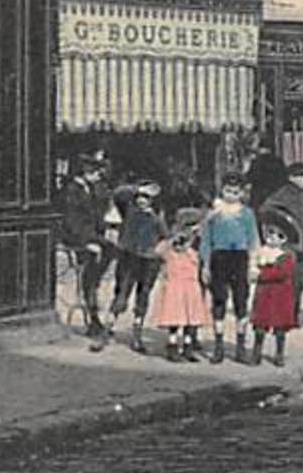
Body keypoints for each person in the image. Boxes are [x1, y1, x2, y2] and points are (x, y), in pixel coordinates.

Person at [199, 173, 259, 364]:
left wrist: (252, 265)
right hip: (219, 258)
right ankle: (219, 347)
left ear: (241, 193)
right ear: (222, 190)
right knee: (219, 301)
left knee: (241, 301)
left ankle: (240, 347)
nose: (231, 195)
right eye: (227, 191)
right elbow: (206, 241)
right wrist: (206, 265)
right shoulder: (214, 214)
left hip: (239, 258)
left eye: (235, 192)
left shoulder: (246, 214)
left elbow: (253, 240)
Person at [102, 179, 167, 353]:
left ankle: (137, 333)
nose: (141, 200)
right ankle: (107, 329)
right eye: (139, 196)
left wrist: (158, 254)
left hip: (148, 261)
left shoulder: (156, 219)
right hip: (128, 257)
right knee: (121, 292)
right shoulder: (129, 211)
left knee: (143, 295)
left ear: (153, 200)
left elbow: (164, 239)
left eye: (146, 197)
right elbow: (118, 194)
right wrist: (136, 187)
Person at [57, 154, 115, 342]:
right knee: (91, 267)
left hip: (89, 235)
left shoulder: (90, 189)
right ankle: (93, 316)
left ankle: (94, 284)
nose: (100, 176)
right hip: (76, 239)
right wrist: (87, 242)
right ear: (87, 171)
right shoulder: (72, 190)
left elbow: (96, 217)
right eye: (97, 172)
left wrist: (105, 229)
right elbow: (73, 222)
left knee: (112, 249)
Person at [262, 163, 303, 323]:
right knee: (286, 281)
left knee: (298, 282)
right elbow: (267, 211)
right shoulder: (283, 194)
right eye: (299, 176)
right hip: (288, 245)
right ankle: (283, 314)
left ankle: (293, 314)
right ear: (291, 177)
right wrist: (282, 231)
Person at [153, 207, 209, 363]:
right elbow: (158, 251)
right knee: (175, 318)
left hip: (191, 287)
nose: (192, 230)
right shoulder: (171, 247)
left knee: (190, 319)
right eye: (189, 226)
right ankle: (171, 346)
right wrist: (174, 241)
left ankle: (188, 347)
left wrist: (192, 244)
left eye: (196, 226)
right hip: (175, 286)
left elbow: (203, 257)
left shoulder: (197, 246)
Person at [250, 212, 299, 367]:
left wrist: (261, 273)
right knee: (260, 325)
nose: (272, 237)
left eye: (278, 235)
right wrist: (253, 270)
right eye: (270, 233)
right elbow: (253, 265)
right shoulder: (262, 252)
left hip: (280, 295)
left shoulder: (286, 256)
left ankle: (279, 354)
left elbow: (282, 273)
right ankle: (256, 353)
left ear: (283, 239)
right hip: (264, 294)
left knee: (280, 327)